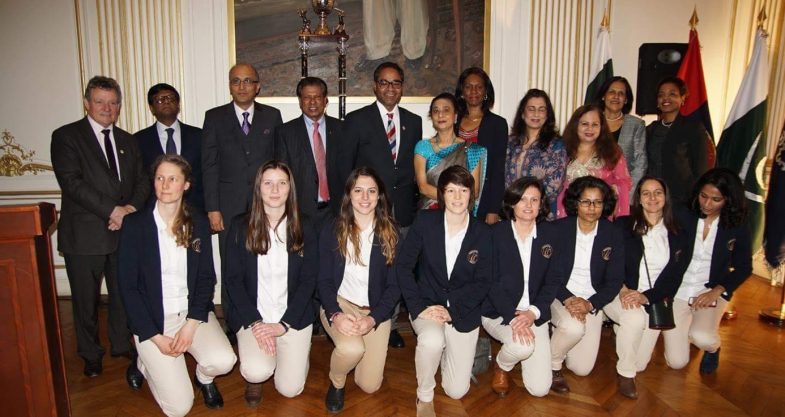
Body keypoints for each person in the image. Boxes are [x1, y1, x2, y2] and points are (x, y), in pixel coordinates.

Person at [118, 155, 236, 415]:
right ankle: (145, 361)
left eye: (173, 179)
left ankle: (203, 380)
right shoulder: (135, 225)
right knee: (179, 408)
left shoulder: (198, 222)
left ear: (186, 185)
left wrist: (191, 324)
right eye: (160, 178)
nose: (165, 184)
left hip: (191, 314)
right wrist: (155, 337)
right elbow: (127, 288)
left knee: (224, 361)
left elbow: (206, 277)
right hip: (154, 321)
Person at [51, 75, 150, 377]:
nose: (107, 108)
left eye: (113, 103)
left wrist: (130, 209)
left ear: (119, 106)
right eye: (100, 102)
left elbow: (143, 180)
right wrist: (113, 209)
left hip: (123, 232)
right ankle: (90, 354)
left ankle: (121, 344)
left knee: (122, 293)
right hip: (85, 236)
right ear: (86, 103)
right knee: (85, 301)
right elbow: (72, 183)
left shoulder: (127, 140)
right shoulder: (67, 137)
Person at [397, 165, 492, 417]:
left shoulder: (483, 232)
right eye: (451, 190)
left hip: (464, 311)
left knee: (456, 391)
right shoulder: (426, 222)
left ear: (472, 194)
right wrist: (418, 307)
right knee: (431, 341)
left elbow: (484, 281)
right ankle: (425, 396)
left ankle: (453, 352)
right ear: (442, 194)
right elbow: (403, 267)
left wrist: (452, 310)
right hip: (427, 305)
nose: (458, 197)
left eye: (463, 190)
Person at [223, 161, 317, 407]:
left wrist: (284, 325)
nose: (275, 190)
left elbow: (309, 280)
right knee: (256, 371)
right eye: (268, 183)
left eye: (282, 183)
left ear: (290, 188)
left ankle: (296, 352)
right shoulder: (239, 226)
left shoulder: (305, 225)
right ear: (258, 188)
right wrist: (255, 322)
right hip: (255, 317)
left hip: (293, 317)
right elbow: (232, 280)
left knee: (290, 389)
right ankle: (263, 363)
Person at [344, 61, 423, 349]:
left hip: (402, 211)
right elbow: (347, 168)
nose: (391, 88)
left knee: (397, 268)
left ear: (402, 87)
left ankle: (388, 322)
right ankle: (370, 317)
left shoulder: (413, 122)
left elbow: (412, 170)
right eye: (385, 82)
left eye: (396, 83)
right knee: (372, 268)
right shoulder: (356, 120)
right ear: (375, 85)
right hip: (368, 210)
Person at [201, 63, 283, 337]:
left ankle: (265, 316)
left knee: (267, 261)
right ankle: (234, 323)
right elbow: (209, 166)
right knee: (231, 265)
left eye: (248, 81)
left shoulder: (272, 116)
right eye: (236, 81)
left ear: (258, 86)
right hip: (228, 206)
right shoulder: (214, 117)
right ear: (230, 85)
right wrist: (213, 208)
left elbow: (279, 164)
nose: (242, 86)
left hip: (266, 206)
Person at [318, 167, 402, 413]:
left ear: (379, 197)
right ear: (349, 196)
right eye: (358, 191)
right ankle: (337, 381)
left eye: (371, 191)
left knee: (369, 386)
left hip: (376, 310)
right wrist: (336, 314)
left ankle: (350, 356)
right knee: (352, 349)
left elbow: (395, 287)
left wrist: (373, 319)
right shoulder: (333, 230)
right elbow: (322, 280)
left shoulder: (392, 233)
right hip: (340, 303)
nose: (365, 198)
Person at [603, 176, 688, 399]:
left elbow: (674, 277)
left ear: (665, 197)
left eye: (657, 192)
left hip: (652, 299)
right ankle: (626, 375)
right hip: (620, 292)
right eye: (646, 193)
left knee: (640, 362)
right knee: (633, 321)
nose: (652, 198)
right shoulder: (623, 226)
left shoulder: (679, 233)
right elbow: (609, 264)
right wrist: (622, 290)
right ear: (638, 199)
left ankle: (622, 335)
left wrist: (646, 297)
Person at [483, 177, 560, 398]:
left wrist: (533, 312)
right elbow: (489, 282)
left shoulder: (551, 235)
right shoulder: (494, 234)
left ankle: (509, 358)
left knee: (539, 389)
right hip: (499, 312)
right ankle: (502, 365)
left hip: (534, 312)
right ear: (512, 203)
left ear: (541, 204)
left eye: (534, 199)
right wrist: (513, 316)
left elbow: (553, 279)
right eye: (522, 199)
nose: (528, 205)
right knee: (523, 348)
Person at [671, 168, 751, 374]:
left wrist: (716, 291)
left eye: (716, 199)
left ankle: (712, 348)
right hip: (677, 289)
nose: (707, 204)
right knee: (676, 362)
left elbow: (744, 267)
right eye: (703, 196)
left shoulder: (737, 224)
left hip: (711, 289)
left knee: (702, 337)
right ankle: (689, 327)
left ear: (728, 200)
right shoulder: (682, 214)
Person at [549, 176, 624, 394]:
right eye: (585, 202)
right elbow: (548, 275)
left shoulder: (613, 234)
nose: (591, 208)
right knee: (572, 327)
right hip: (560, 295)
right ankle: (552, 365)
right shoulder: (557, 230)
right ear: (575, 203)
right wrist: (569, 299)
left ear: (605, 205)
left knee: (581, 369)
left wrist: (590, 304)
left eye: (597, 202)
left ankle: (559, 338)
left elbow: (614, 280)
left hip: (592, 300)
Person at [275, 77, 345, 232]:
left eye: (317, 97)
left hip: (335, 212)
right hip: (300, 213)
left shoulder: (342, 129)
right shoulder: (285, 133)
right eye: (307, 97)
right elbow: (282, 175)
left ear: (325, 100)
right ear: (300, 102)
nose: (312, 102)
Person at [135, 83, 204, 211]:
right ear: (151, 108)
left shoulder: (199, 136)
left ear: (178, 105)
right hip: (153, 211)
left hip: (195, 209)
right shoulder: (138, 140)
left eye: (171, 98)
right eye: (160, 100)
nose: (166, 102)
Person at [415, 92, 487, 214]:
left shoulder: (471, 150)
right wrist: (453, 199)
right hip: (430, 214)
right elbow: (423, 187)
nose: (440, 114)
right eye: (435, 111)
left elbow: (474, 191)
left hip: (460, 213)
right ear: (431, 117)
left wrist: (453, 203)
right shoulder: (423, 147)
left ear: (455, 116)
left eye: (446, 110)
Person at [646, 76, 713, 205]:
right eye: (661, 95)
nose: (666, 98)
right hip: (653, 198)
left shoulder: (693, 127)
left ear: (683, 98)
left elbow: (701, 167)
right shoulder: (650, 129)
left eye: (672, 94)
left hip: (682, 197)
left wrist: (697, 197)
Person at [556, 104, 631, 219]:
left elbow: (624, 182)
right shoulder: (562, 149)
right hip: (565, 215)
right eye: (584, 124)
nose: (589, 129)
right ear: (576, 125)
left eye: (595, 124)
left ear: (602, 127)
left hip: (598, 216)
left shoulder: (612, 152)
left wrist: (612, 190)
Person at [455, 67, 509, 224]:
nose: (473, 91)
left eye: (479, 87)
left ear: (486, 92)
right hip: (455, 197)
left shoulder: (497, 124)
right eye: (468, 86)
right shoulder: (453, 120)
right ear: (462, 91)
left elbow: (498, 169)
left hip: (484, 199)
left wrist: (493, 209)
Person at [505, 89, 567, 218]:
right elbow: (503, 179)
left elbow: (554, 187)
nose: (536, 114)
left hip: (542, 214)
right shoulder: (510, 142)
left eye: (541, 109)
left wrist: (530, 205)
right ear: (523, 113)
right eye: (531, 109)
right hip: (512, 213)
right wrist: (515, 204)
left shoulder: (556, 145)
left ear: (547, 114)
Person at [593, 76, 647, 200]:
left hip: (623, 192)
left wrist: (627, 195)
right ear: (603, 96)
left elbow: (640, 164)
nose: (616, 96)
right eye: (612, 92)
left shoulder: (636, 125)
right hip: (592, 190)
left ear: (626, 99)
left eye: (621, 93)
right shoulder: (592, 121)